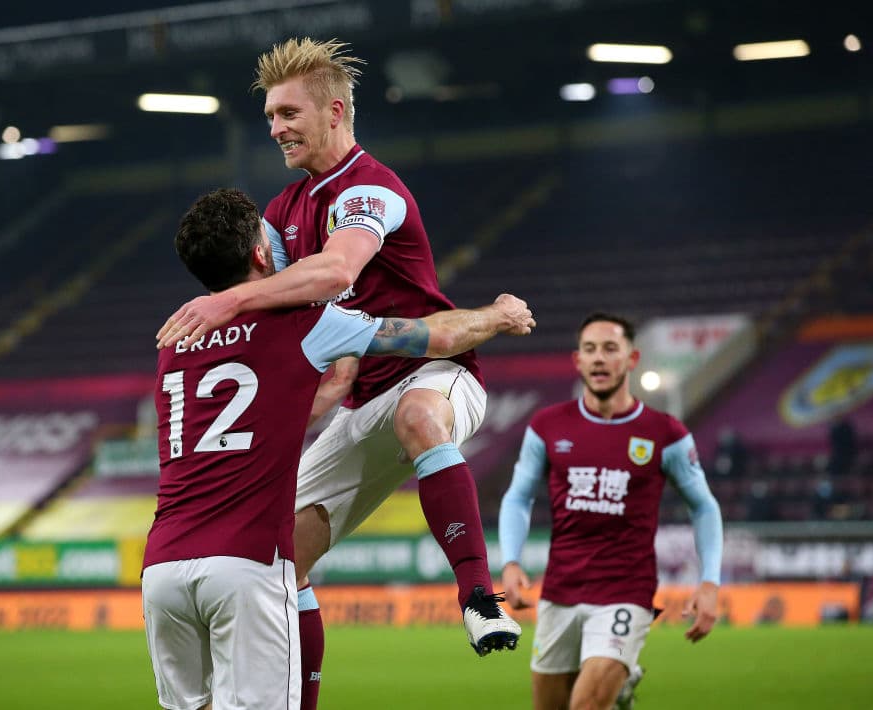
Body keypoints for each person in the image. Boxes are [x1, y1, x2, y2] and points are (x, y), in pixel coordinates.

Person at [155, 37, 524, 706]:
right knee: (277, 556)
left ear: (335, 111)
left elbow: (334, 273)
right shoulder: (283, 211)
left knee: (418, 416)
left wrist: (228, 299)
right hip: (362, 400)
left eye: (289, 114)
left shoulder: (370, 190)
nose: (276, 129)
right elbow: (280, 300)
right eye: (270, 117)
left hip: (435, 370)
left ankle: (476, 596)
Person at [498, 312, 723, 710]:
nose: (599, 358)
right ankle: (620, 690)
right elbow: (518, 497)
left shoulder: (664, 433)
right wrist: (511, 561)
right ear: (577, 361)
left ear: (632, 359)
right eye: (590, 350)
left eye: (609, 349)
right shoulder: (548, 426)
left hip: (625, 592)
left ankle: (614, 679)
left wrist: (709, 583)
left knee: (584, 707)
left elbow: (704, 506)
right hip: (560, 592)